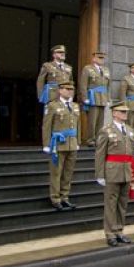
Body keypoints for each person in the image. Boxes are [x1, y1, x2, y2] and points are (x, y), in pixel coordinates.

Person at [95, 102, 134, 247]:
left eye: (126, 111)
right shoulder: (106, 130)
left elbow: (131, 153)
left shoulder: (129, 130)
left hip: (126, 171)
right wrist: (100, 174)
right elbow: (100, 154)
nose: (125, 114)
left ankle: (119, 231)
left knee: (122, 204)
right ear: (114, 113)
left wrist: (132, 171)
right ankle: (110, 233)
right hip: (112, 171)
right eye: (122, 111)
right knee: (111, 204)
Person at [42, 81, 80, 210]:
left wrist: (78, 141)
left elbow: (77, 126)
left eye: (71, 89)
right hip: (58, 144)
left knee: (68, 173)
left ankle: (65, 197)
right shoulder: (52, 106)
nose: (70, 91)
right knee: (56, 172)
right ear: (60, 90)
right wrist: (46, 144)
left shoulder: (75, 106)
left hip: (72, 144)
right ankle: (55, 198)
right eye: (67, 89)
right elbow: (46, 126)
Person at [79, 52, 111, 146]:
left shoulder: (106, 70)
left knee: (100, 121)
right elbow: (83, 84)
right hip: (92, 97)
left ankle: (99, 139)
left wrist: (108, 98)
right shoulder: (88, 68)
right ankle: (90, 139)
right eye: (99, 58)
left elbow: (108, 85)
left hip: (102, 97)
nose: (101, 59)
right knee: (92, 121)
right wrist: (85, 97)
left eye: (103, 58)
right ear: (94, 59)